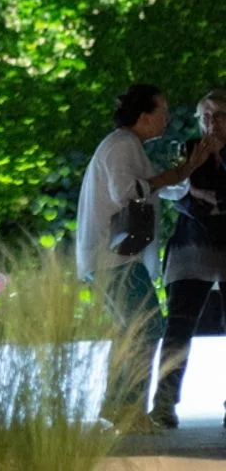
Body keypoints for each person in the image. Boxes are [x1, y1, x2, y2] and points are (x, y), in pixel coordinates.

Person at [74, 83, 219, 425]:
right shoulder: (122, 145)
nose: (167, 118)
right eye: (162, 112)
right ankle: (127, 411)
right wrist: (175, 173)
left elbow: (167, 190)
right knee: (148, 327)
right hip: (115, 259)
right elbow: (128, 191)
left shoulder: (129, 146)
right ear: (144, 115)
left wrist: (186, 168)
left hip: (114, 259)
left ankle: (119, 407)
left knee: (133, 330)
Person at [152, 90, 226, 428]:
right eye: (205, 116)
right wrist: (203, 201)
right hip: (191, 250)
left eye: (219, 115)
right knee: (178, 329)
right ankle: (164, 403)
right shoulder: (187, 150)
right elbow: (174, 193)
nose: (212, 122)